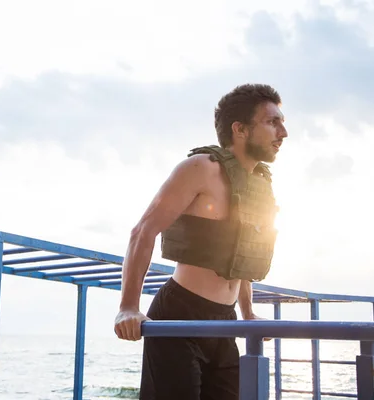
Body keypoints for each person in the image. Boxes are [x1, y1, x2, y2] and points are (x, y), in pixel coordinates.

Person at [114, 83, 288, 399]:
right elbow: (143, 231)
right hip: (179, 316)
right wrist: (128, 307)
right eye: (271, 121)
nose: (283, 132)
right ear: (240, 129)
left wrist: (247, 313)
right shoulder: (200, 168)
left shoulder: (257, 185)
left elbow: (243, 253)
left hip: (225, 322)